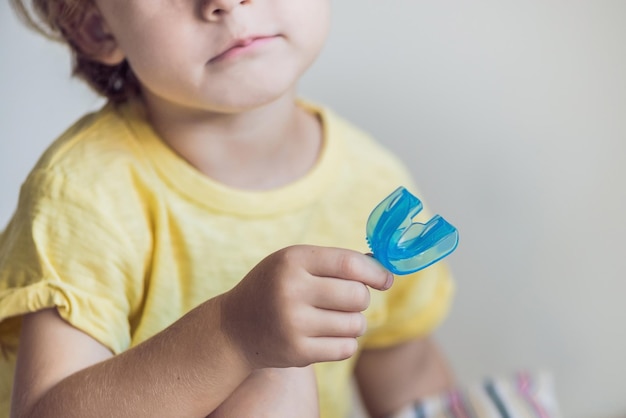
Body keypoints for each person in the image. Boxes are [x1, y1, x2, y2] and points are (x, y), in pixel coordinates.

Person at [0, 1, 456, 417]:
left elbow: (410, 382)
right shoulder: (84, 195)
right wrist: (231, 335)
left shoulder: (369, 181)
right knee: (276, 376)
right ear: (97, 27)